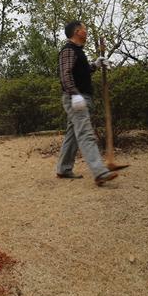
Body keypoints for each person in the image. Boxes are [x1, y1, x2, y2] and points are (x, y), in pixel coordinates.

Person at [56, 20, 118, 186]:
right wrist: (75, 95)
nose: (87, 31)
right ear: (77, 31)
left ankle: (63, 168)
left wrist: (95, 65)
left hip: (81, 97)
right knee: (85, 133)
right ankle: (100, 172)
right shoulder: (68, 50)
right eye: (85, 29)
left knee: (73, 134)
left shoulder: (78, 51)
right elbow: (65, 75)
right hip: (75, 98)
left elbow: (81, 72)